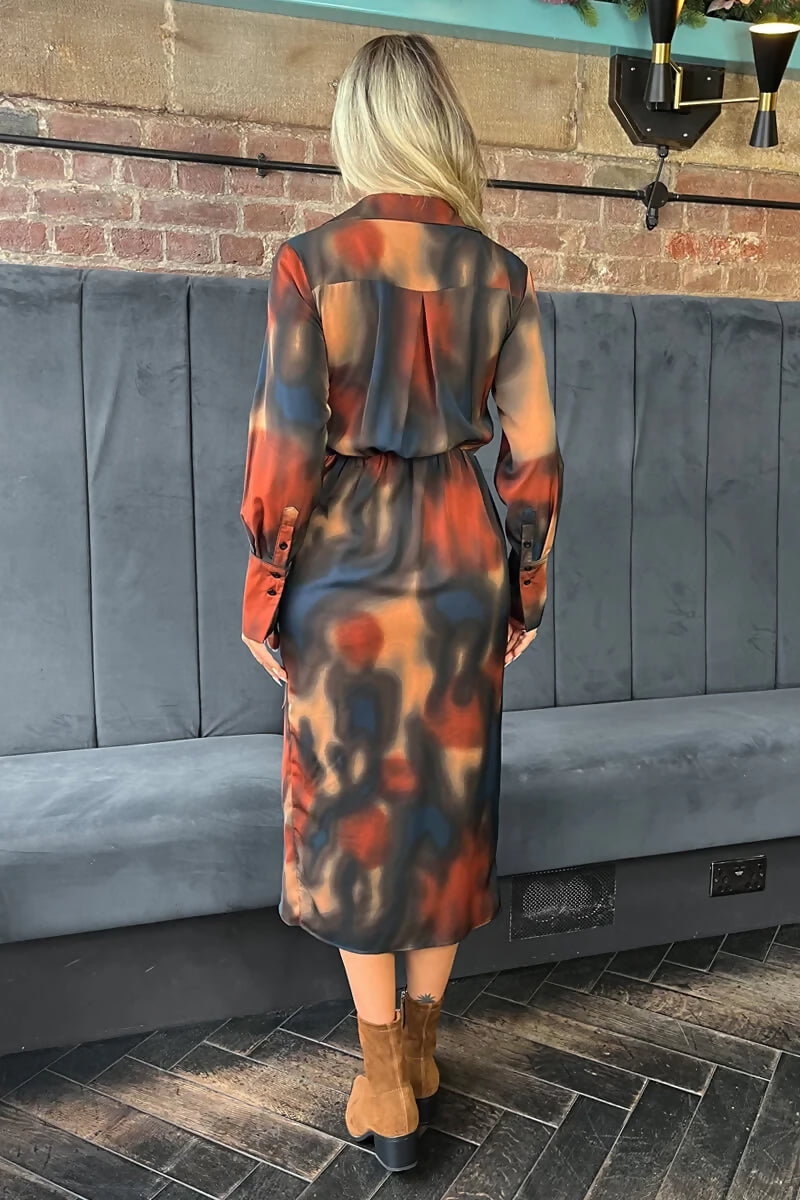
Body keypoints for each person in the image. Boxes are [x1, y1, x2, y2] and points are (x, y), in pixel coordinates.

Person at [239, 31, 563, 1173]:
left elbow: (282, 449)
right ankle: (419, 1053)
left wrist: (264, 593)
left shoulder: (309, 264)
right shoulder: (501, 274)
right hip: (463, 559)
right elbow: (535, 452)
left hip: (346, 569)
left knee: (357, 817)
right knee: (444, 812)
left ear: (357, 128)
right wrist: (524, 589)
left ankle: (385, 1084)